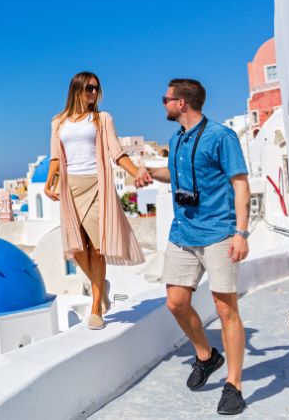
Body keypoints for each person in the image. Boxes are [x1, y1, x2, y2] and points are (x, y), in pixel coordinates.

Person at [142, 78, 251, 416]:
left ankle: (234, 385)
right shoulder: (177, 140)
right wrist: (147, 171)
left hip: (218, 233)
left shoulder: (221, 137)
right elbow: (175, 174)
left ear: (182, 103)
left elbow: (240, 184)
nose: (163, 103)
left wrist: (241, 233)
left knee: (225, 309)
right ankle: (206, 356)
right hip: (182, 233)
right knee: (176, 303)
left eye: (166, 99)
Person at [44, 71, 147, 330]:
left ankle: (96, 308)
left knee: (97, 248)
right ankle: (99, 284)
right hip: (70, 188)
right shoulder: (58, 122)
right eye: (89, 88)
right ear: (76, 89)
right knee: (78, 249)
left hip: (96, 185)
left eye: (96, 88)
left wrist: (136, 172)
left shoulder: (102, 119)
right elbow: (55, 157)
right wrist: (49, 182)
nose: (93, 93)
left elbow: (116, 153)